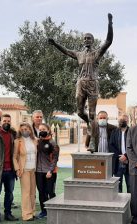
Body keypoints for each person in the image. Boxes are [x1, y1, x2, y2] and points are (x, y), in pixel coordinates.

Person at [48, 13, 113, 152]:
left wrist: (110, 23)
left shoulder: (97, 53)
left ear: (92, 41)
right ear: (83, 41)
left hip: (92, 83)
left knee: (92, 114)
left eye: (89, 38)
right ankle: (91, 125)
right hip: (80, 83)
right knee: (79, 111)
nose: (86, 40)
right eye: (85, 38)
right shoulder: (78, 54)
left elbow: (108, 41)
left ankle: (92, 144)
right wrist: (54, 44)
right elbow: (65, 51)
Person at [13, 122, 37, 221]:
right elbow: (14, 157)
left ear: (30, 130)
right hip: (24, 170)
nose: (24, 131)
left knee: (33, 192)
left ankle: (32, 212)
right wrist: (17, 169)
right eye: (22, 129)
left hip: (34, 169)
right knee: (26, 193)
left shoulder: (35, 140)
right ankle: (26, 215)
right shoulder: (17, 141)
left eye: (26, 129)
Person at [36, 123, 59, 219]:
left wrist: (50, 171)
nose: (42, 131)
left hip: (50, 172)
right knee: (41, 192)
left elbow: (55, 159)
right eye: (40, 129)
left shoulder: (53, 143)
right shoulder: (37, 142)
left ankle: (53, 210)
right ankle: (43, 211)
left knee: (50, 191)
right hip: (39, 171)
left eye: (44, 129)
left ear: (48, 130)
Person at [109, 113, 130, 192]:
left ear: (127, 120)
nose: (122, 121)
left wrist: (126, 156)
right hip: (117, 163)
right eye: (120, 119)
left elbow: (134, 146)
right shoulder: (114, 132)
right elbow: (111, 145)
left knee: (130, 185)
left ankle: (130, 204)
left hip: (129, 163)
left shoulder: (132, 131)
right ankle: (119, 203)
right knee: (118, 186)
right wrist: (120, 156)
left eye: (124, 119)